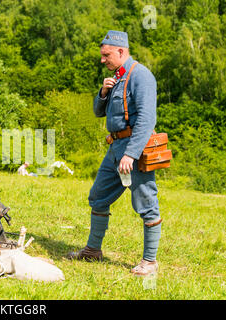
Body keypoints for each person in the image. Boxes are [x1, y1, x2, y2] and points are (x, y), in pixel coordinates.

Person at [67, 31, 162, 277]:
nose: (102, 60)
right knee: (98, 197)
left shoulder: (141, 76)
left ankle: (150, 262)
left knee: (145, 203)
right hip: (114, 149)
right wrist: (102, 93)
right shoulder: (117, 77)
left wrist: (131, 153)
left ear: (121, 51)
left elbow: (146, 119)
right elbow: (101, 112)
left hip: (134, 151)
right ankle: (92, 251)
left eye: (106, 55)